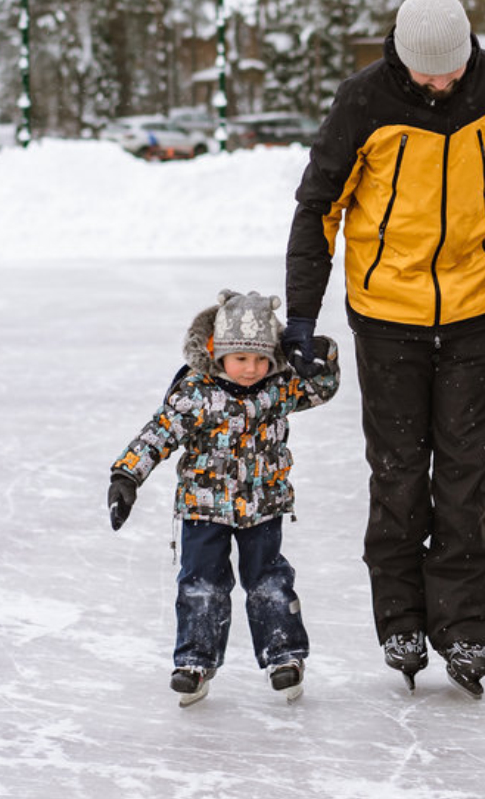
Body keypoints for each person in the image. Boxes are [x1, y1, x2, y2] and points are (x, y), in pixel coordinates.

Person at [283, 0, 485, 697]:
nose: (441, 83)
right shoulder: (364, 100)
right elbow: (319, 205)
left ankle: (464, 628)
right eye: (428, 73)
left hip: (470, 314)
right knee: (399, 471)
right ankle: (400, 617)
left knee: (465, 472)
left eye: (451, 69)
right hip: (385, 315)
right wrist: (302, 316)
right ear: (401, 57)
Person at [107, 290, 340, 708]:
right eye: (241, 359)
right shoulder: (195, 393)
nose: (251, 369)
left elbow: (320, 388)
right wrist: (127, 475)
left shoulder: (278, 388)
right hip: (203, 509)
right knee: (201, 584)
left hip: (262, 508)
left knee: (269, 581)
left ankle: (284, 656)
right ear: (217, 353)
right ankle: (194, 662)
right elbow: (157, 434)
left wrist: (325, 356)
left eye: (260, 359)